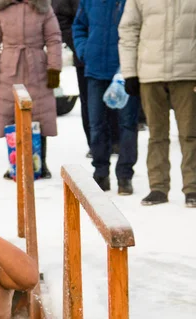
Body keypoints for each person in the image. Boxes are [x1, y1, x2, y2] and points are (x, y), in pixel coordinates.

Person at [119, 0, 196, 207]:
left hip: (187, 73)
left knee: (191, 134)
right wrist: (130, 73)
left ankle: (193, 187)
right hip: (150, 74)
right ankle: (158, 187)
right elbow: (128, 30)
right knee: (157, 135)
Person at [0, 0, 62, 179]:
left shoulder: (43, 6)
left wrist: (54, 68)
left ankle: (40, 162)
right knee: (11, 116)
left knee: (40, 115)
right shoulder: (1, 7)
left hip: (38, 68)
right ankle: (14, 163)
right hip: (9, 68)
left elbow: (54, 38)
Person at [73, 0, 139, 195]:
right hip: (95, 70)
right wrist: (84, 50)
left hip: (124, 71)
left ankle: (125, 176)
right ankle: (100, 172)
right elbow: (79, 26)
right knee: (96, 124)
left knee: (127, 124)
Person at [51, 0, 119, 159]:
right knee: (90, 103)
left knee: (118, 100)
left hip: (118, 57)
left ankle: (117, 140)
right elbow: (61, 17)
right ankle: (95, 145)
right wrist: (82, 48)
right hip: (87, 58)